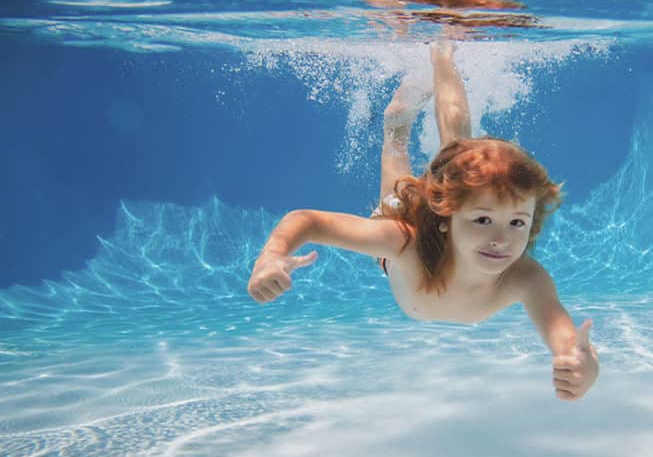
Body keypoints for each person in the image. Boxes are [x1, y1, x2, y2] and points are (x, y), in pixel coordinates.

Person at [247, 42, 599, 401]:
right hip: (409, 229)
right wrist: (272, 255)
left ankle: (434, 66)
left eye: (517, 223)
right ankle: (438, 57)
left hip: (440, 217)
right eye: (482, 219)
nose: (501, 240)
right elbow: (307, 221)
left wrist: (584, 365)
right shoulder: (402, 240)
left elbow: (566, 339)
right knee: (412, 173)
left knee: (459, 154)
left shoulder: (525, 277)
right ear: (445, 215)